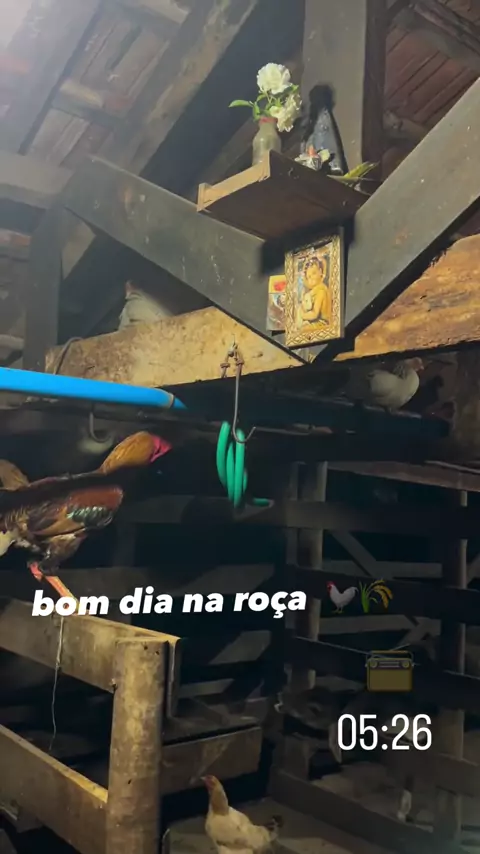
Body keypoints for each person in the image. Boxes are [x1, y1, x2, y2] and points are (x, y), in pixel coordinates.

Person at [299, 256, 330, 325]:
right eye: (309, 277)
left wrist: (303, 315)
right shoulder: (312, 292)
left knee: (305, 328)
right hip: (314, 322)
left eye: (314, 273)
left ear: (320, 271)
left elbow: (314, 314)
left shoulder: (321, 291)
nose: (312, 278)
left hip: (322, 323)